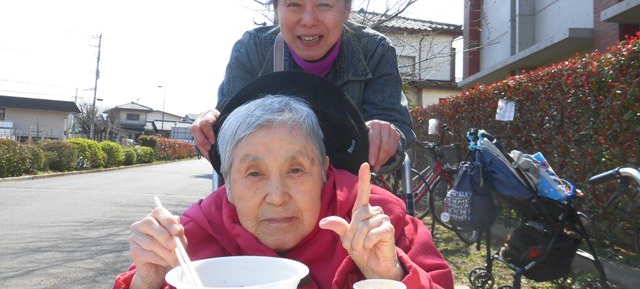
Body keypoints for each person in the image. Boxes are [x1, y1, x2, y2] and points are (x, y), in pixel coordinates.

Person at [114, 72, 453, 289]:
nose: (277, 197)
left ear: (324, 170)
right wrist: (146, 281)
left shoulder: (377, 220)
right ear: (227, 186)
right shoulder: (191, 237)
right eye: (254, 173)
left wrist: (388, 276)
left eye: (296, 170)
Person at [191, 0, 414, 172]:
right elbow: (225, 131)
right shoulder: (251, 50)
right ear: (277, 9)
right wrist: (208, 127)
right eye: (294, 5)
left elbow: (396, 132)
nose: (308, 20)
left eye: (324, 5)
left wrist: (384, 135)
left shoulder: (375, 50)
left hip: (349, 189)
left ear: (346, 9)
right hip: (270, 188)